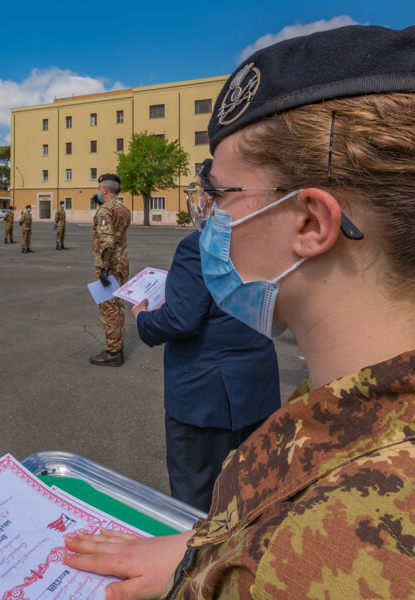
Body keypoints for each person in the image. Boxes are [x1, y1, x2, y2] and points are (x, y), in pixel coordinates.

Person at [64, 24, 415, 600]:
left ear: (310, 222)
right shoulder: (346, 396)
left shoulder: (304, 562)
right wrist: (206, 548)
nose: (210, 223)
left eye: (222, 197)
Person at [131, 221, 281, 511]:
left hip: (205, 394)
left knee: (194, 497)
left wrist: (142, 318)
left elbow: (179, 319)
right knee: (251, 489)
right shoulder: (267, 235)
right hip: (256, 383)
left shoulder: (199, 245)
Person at [89, 174, 130, 366]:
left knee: (108, 308)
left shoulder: (105, 210)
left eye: (99, 188)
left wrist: (104, 268)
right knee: (118, 306)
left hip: (109, 266)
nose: (98, 191)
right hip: (121, 263)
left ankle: (112, 353)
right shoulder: (123, 208)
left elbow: (106, 241)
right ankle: (117, 348)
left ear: (104, 189)